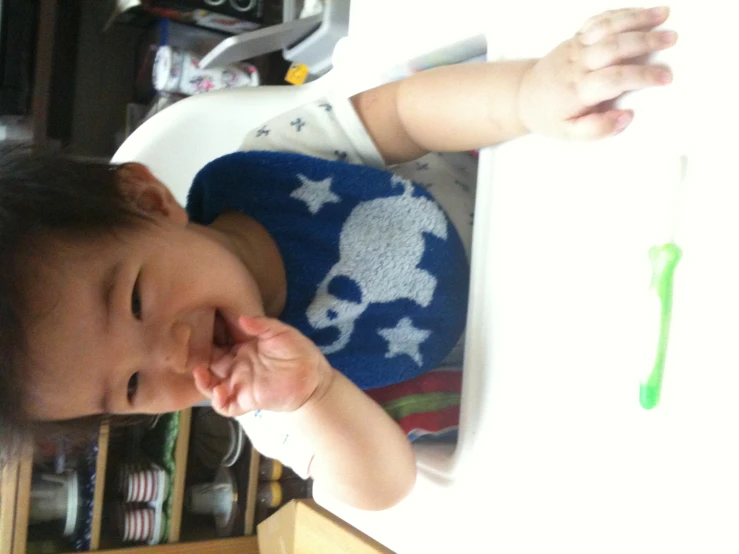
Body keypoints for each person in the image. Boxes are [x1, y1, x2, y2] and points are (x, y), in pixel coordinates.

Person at [0, 7, 677, 510]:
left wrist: (527, 97)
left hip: (566, 198)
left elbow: (409, 114)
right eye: (133, 387)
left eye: (137, 302)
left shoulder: (281, 160)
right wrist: (317, 396)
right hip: (565, 364)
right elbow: (383, 486)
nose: (174, 353)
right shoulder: (272, 408)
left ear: (148, 200)